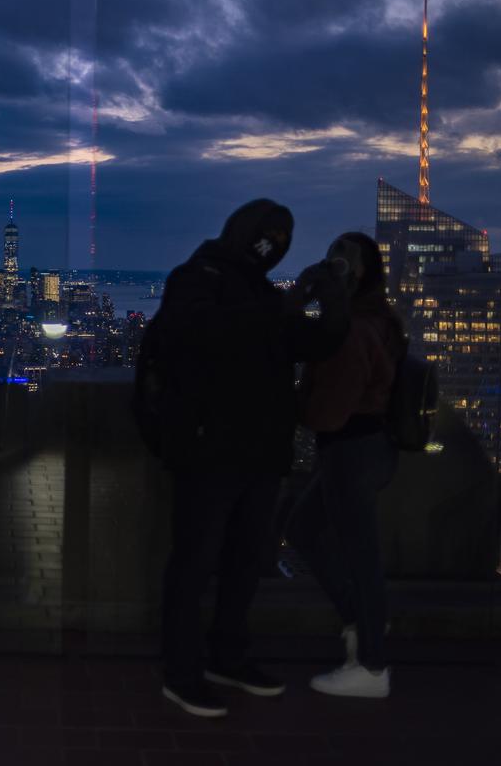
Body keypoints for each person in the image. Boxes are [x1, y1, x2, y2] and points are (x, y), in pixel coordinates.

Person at [153, 199, 349, 718]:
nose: (273, 247)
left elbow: (319, 343)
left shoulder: (262, 294)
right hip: (208, 452)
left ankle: (227, 657)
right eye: (269, 238)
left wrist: (332, 298)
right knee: (194, 565)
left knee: (244, 564)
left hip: (261, 455)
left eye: (281, 241)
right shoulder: (196, 278)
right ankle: (181, 671)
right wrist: (283, 306)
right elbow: (197, 332)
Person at [286, 232, 404, 699]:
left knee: (361, 558)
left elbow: (329, 409)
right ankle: (363, 622)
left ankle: (372, 666)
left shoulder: (352, 328)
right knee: (304, 529)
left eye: (340, 265)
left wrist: (295, 407)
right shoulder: (379, 318)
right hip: (371, 446)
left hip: (350, 449)